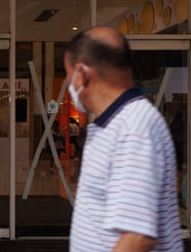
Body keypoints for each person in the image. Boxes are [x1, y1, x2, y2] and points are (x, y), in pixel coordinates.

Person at [64, 26, 183, 251]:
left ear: (82, 73)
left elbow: (138, 237)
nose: (71, 85)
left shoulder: (134, 129)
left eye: (69, 77)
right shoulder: (113, 124)